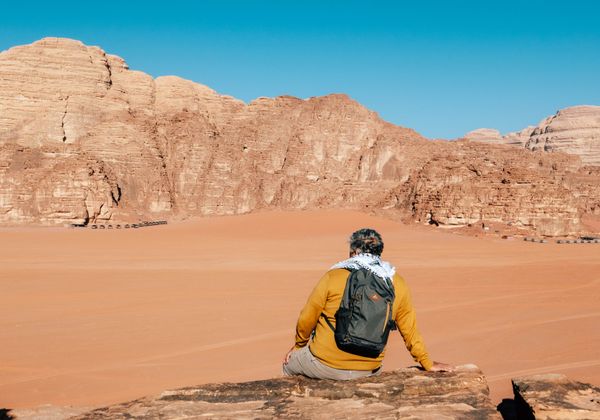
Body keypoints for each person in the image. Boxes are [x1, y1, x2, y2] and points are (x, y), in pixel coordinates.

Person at [282, 228, 452, 379]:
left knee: (288, 366)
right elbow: (409, 330)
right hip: (369, 370)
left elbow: (307, 318)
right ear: (379, 251)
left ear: (354, 252)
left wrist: (298, 346)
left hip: (324, 364)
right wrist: (426, 362)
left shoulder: (334, 276)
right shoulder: (396, 282)